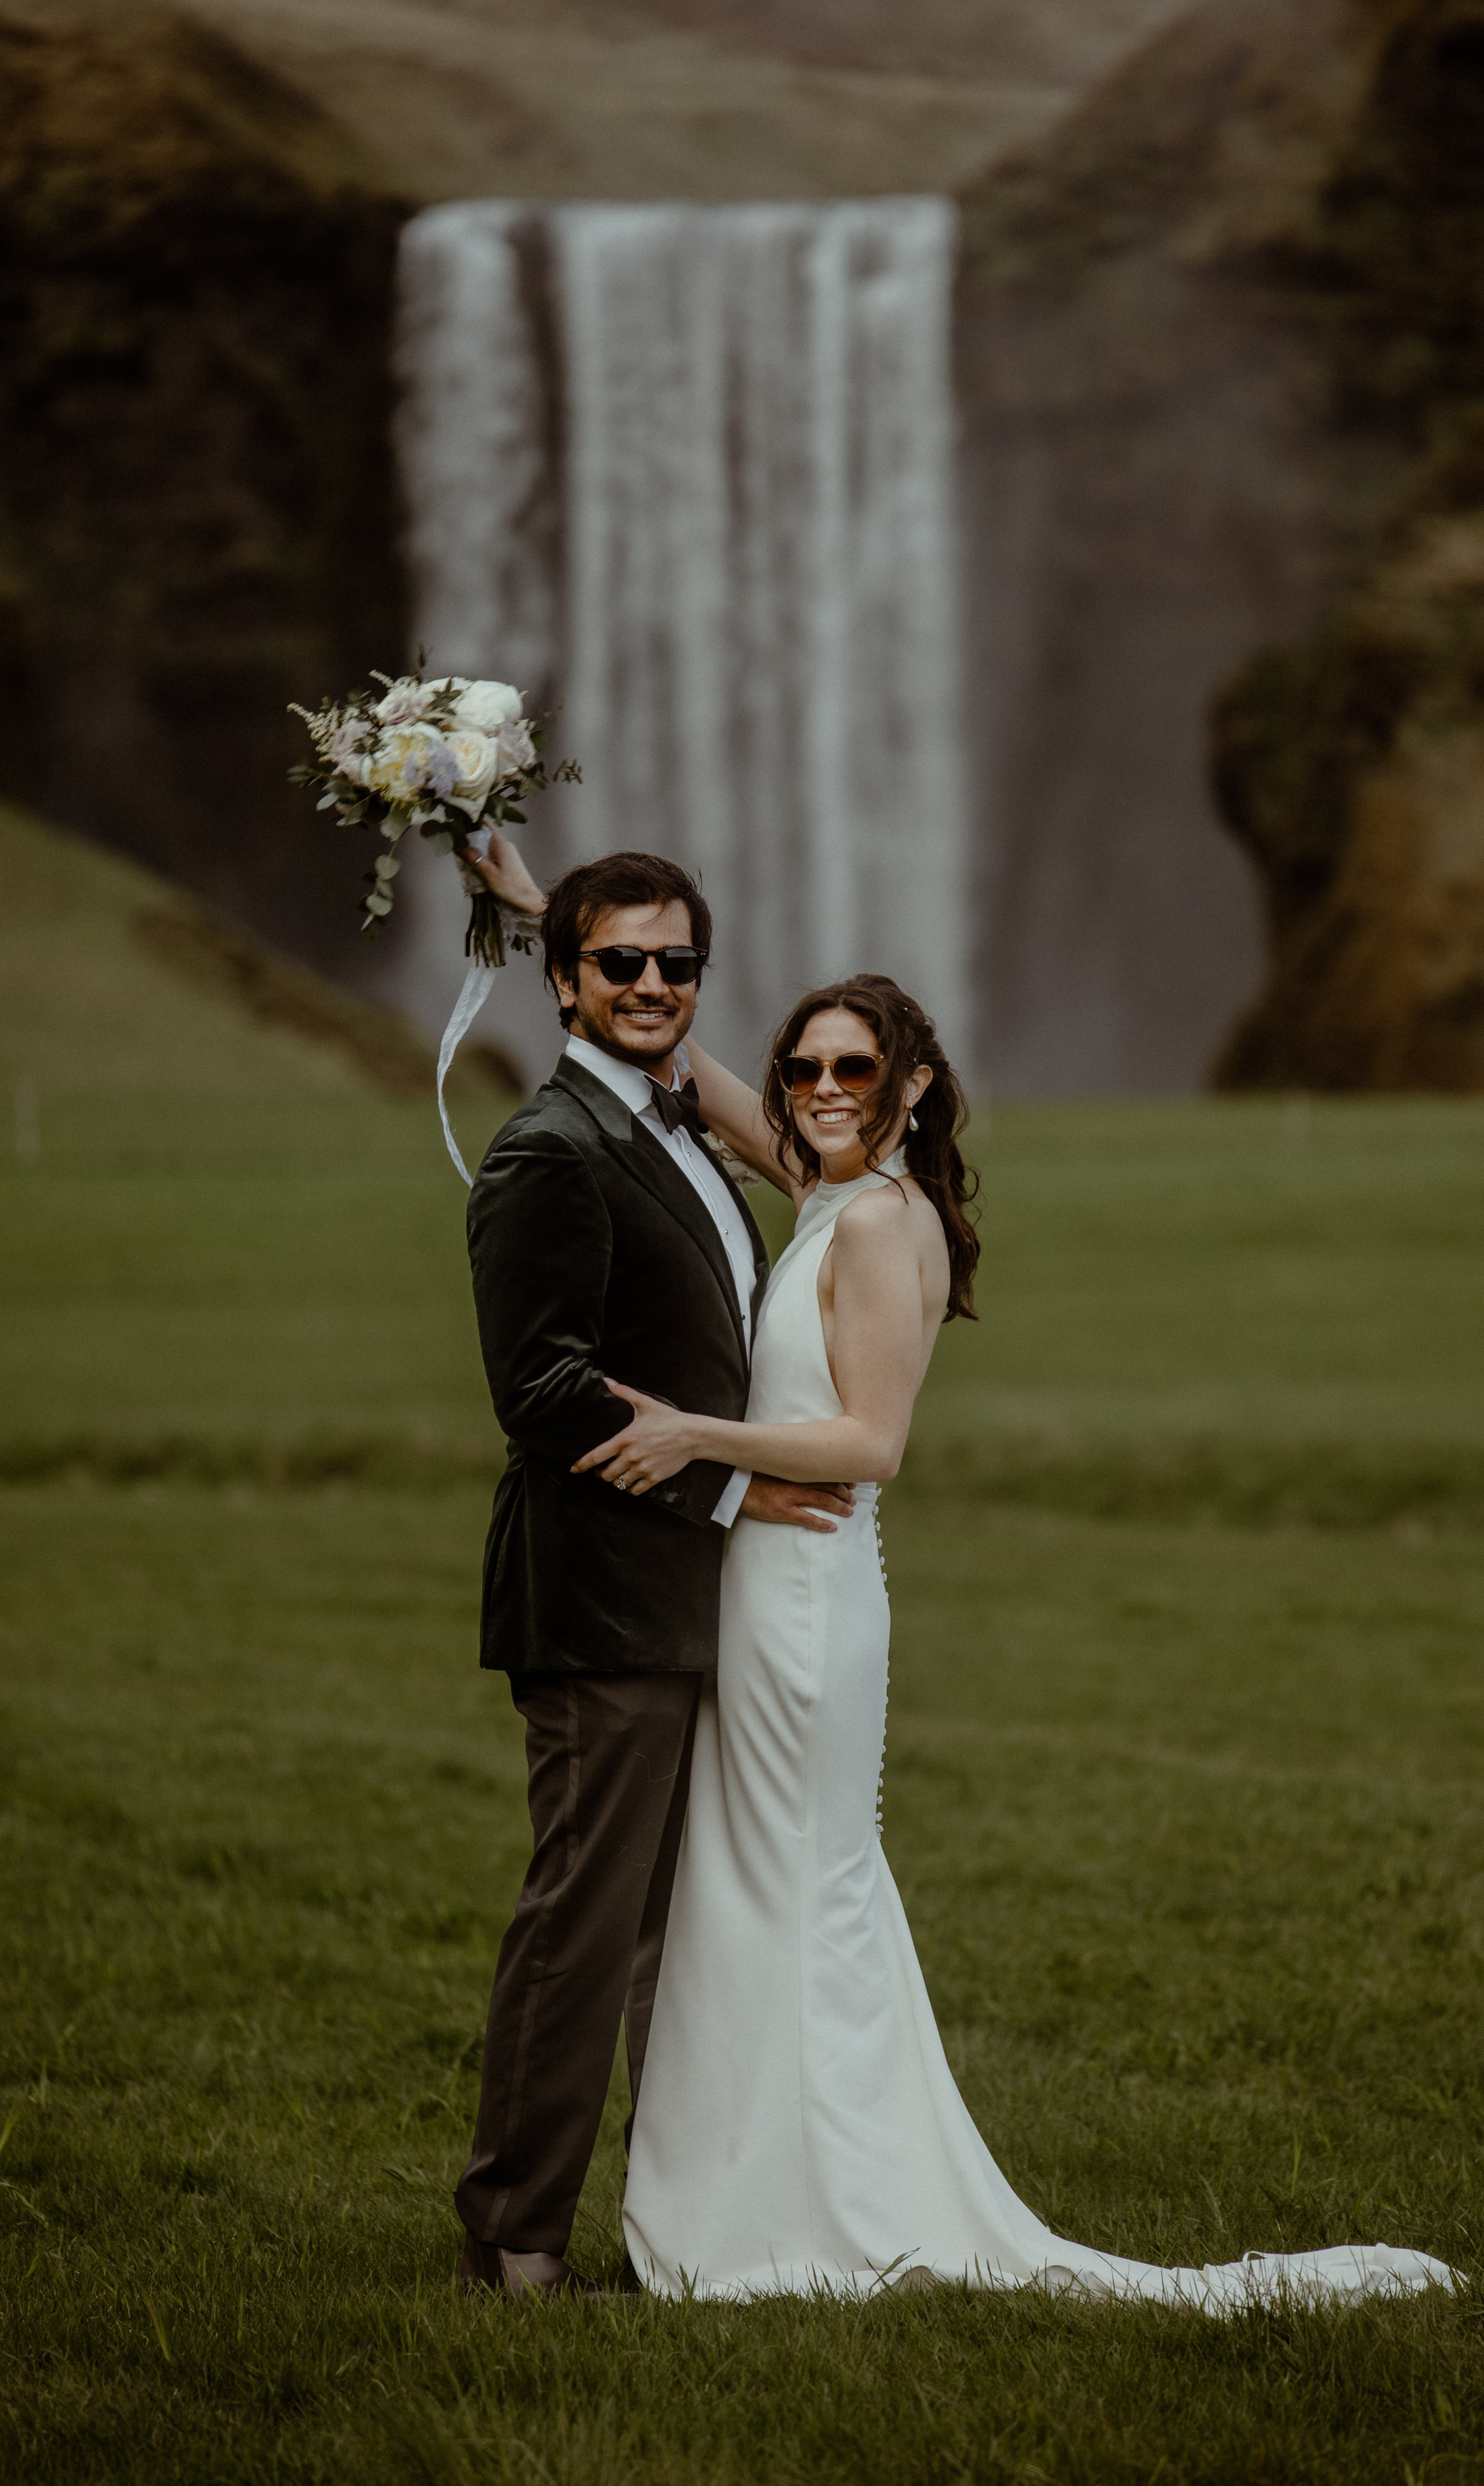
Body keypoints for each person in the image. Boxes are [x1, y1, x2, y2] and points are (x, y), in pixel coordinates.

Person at [573, 973, 1458, 2310]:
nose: (817, 1090)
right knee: (761, 1887)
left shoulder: (879, 1224)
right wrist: (524, 902)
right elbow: (682, 1064)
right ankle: (765, 2183)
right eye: (800, 1067)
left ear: (912, 1084)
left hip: (804, 1593)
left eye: (852, 1070)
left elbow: (872, 1442)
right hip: (768, 1588)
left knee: (802, 1887)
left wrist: (697, 1437)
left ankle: (823, 2199)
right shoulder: (828, 1185)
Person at [452, 842, 853, 2298]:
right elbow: (541, 1390)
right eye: (616, 961)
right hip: (602, 1595)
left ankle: (677, 2219)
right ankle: (512, 2233)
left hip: (690, 1595)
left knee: (674, 1941)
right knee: (588, 1920)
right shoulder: (545, 1147)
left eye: (674, 962)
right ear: (559, 978)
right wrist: (743, 1476)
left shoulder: (676, 1118)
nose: (648, 983)